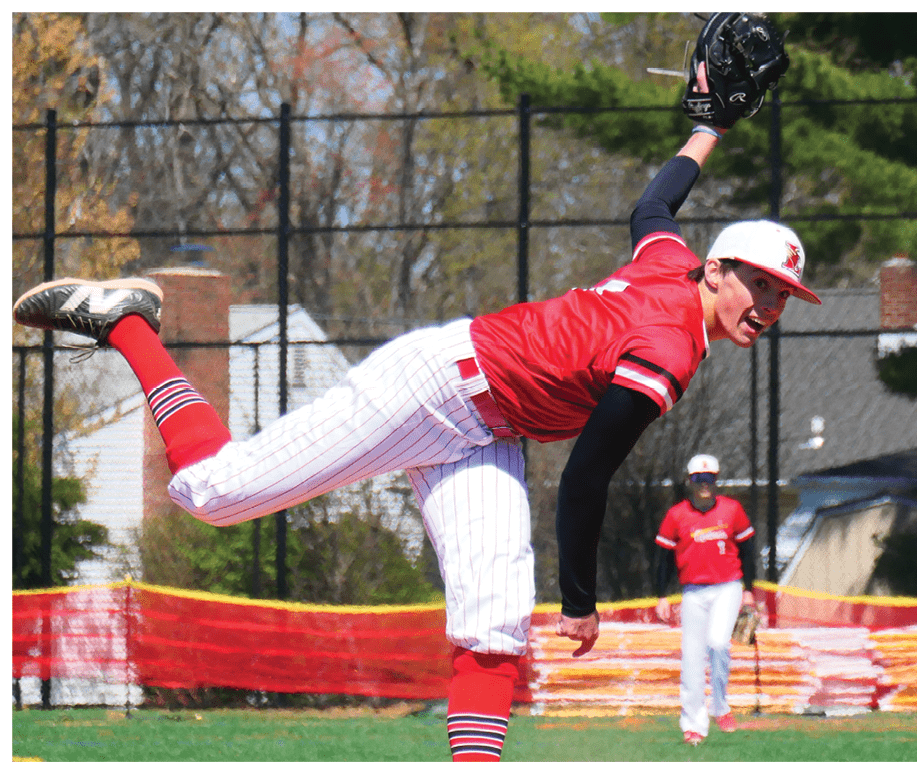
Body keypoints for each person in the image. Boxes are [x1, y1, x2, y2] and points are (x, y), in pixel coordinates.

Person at [13, 65, 818, 762]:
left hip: (486, 428)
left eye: (785, 294)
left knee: (496, 627)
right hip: (436, 386)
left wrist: (706, 129)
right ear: (716, 271)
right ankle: (126, 322)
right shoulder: (668, 348)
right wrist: (579, 599)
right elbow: (584, 480)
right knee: (215, 493)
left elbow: (654, 207)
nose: (772, 304)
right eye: (761, 283)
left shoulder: (670, 267)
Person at [655, 453, 758, 746]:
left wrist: (749, 590)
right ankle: (693, 725)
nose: (705, 485)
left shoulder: (732, 509)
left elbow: (748, 550)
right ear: (690, 482)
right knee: (691, 657)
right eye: (700, 479)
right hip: (692, 592)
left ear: (716, 480)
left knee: (717, 642)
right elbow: (662, 558)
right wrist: (661, 595)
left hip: (728, 587)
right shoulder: (677, 515)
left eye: (710, 479)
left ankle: (721, 706)